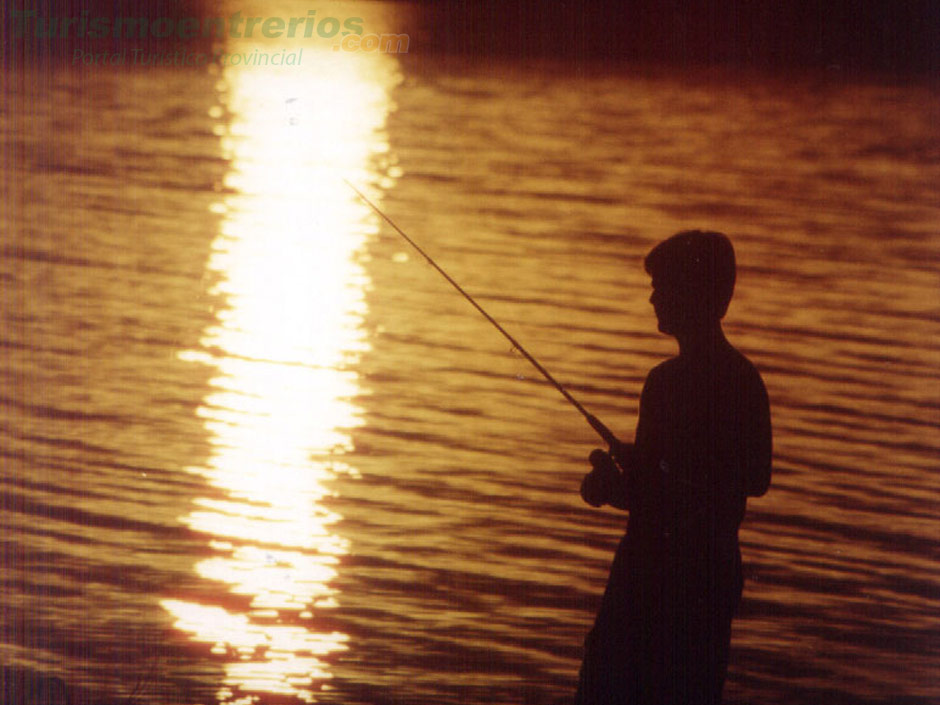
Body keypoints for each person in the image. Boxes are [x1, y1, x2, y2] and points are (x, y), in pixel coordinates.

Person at [575, 230, 772, 705]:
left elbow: (752, 479)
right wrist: (617, 483)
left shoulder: (730, 383)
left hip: (687, 582)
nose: (653, 297)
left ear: (696, 294)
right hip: (657, 570)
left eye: (664, 286)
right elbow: (652, 494)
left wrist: (637, 479)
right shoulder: (671, 382)